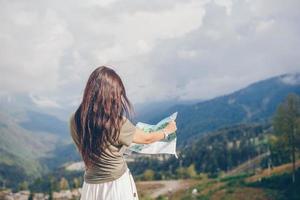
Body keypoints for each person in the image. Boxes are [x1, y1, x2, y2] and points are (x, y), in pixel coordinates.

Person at [69, 66, 177, 200]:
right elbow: (147, 139)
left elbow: (100, 146)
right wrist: (166, 131)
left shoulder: (75, 119)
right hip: (116, 185)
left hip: (90, 186)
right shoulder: (116, 122)